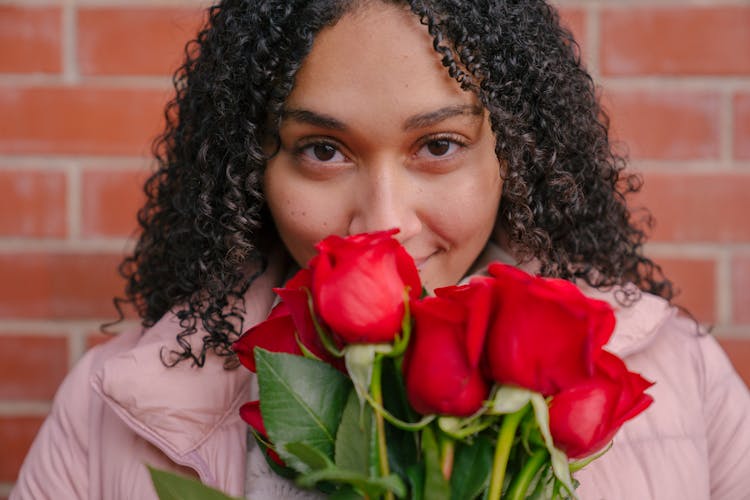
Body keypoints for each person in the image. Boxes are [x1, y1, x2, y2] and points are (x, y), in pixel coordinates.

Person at [11, 0, 750, 499]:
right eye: (323, 150)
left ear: (514, 156)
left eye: (437, 145)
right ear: (249, 166)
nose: (383, 224)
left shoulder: (685, 379)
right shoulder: (110, 408)